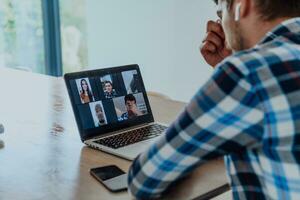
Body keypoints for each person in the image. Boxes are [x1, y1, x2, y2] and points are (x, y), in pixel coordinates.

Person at [128, 0, 300, 199]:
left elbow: (144, 179)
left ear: (241, 6)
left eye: (221, 14)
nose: (221, 26)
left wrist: (231, 71)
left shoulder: (247, 73)